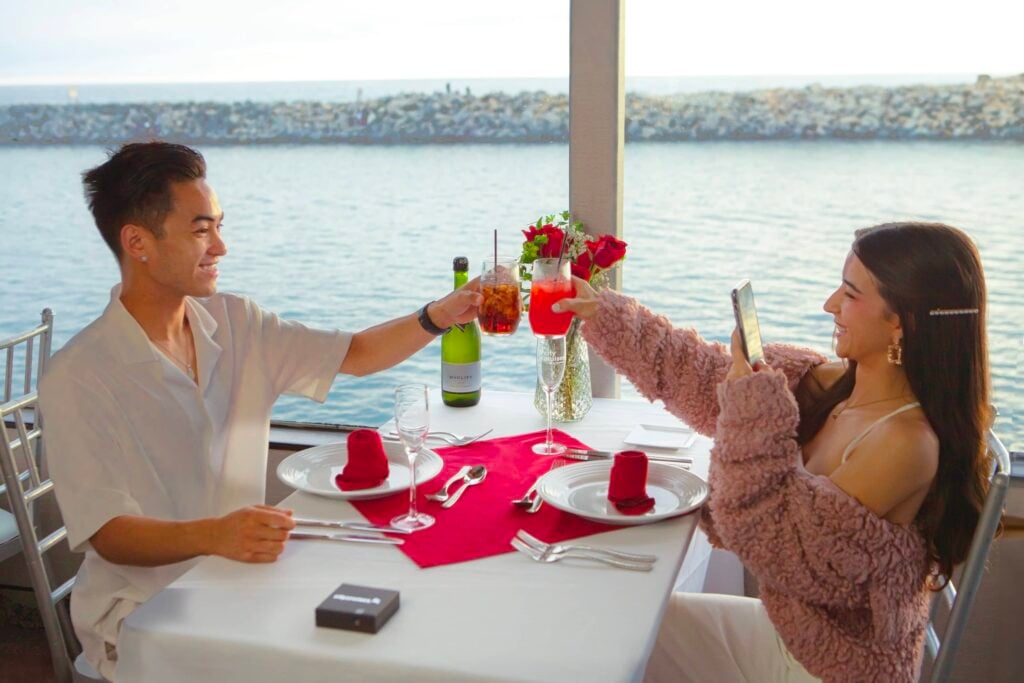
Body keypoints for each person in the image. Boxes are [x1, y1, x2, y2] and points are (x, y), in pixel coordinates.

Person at [38, 141, 481, 680]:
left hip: (242, 579)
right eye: (201, 229)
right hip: (143, 614)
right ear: (138, 242)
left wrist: (440, 315)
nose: (220, 246)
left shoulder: (236, 321)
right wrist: (218, 534)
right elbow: (109, 532)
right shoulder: (79, 375)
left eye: (220, 226)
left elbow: (358, 356)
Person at [555, 222, 992, 682]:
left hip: (831, 668)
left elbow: (772, 540)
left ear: (902, 320)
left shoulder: (907, 444)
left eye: (849, 293)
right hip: (790, 636)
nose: (830, 305)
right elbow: (701, 374)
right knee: (611, 626)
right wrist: (601, 313)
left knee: (612, 650)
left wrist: (750, 403)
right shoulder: (832, 381)